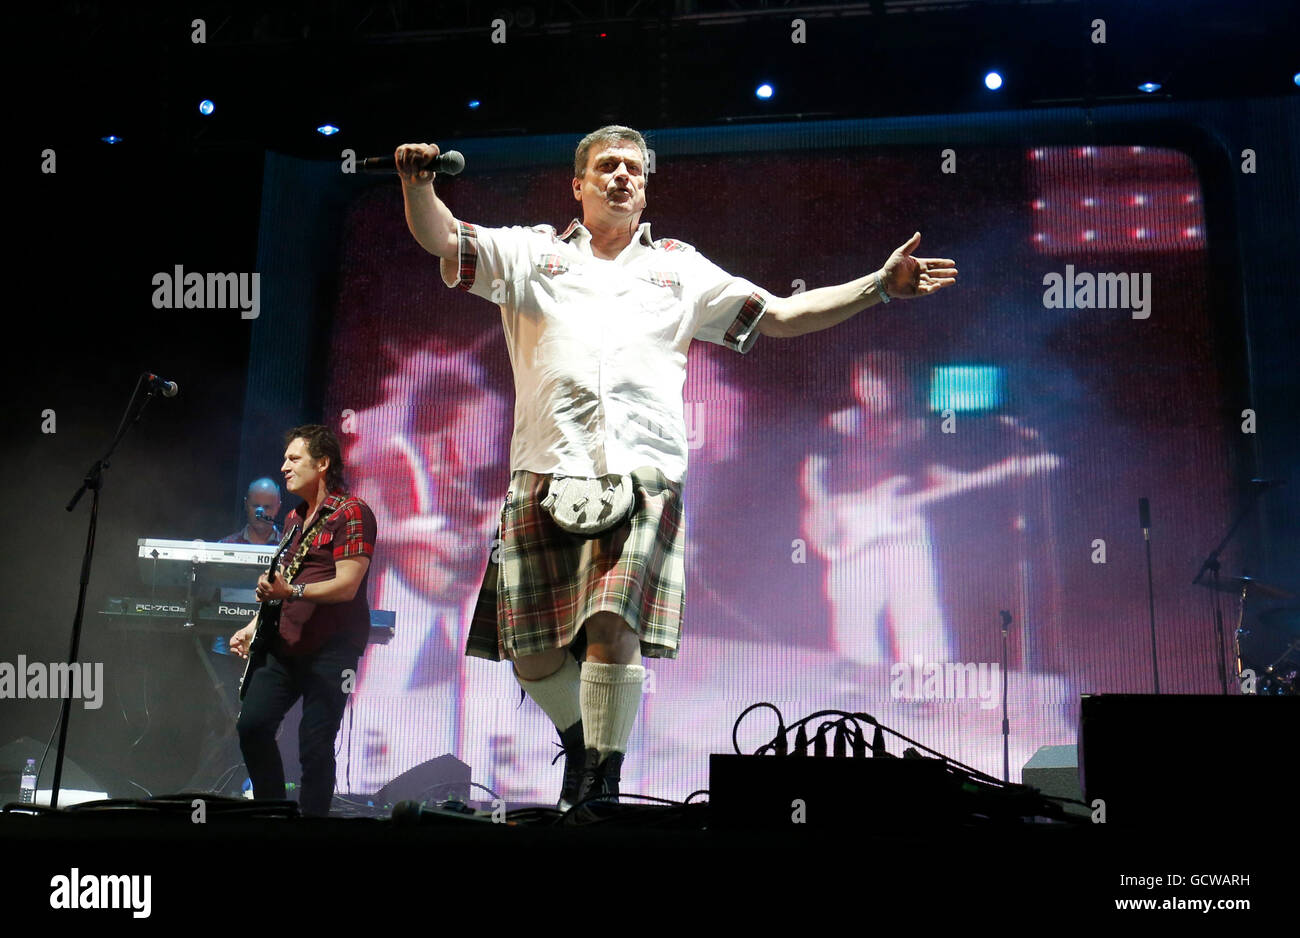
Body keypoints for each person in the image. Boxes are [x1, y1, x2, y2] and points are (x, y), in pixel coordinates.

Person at [395, 125, 957, 810]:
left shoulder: (680, 268)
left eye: (634, 168)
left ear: (646, 184)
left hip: (643, 478)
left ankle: (601, 784)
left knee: (610, 627)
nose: (622, 177)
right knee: (533, 656)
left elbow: (779, 315)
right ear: (578, 184)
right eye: (607, 166)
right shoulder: (531, 252)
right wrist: (418, 184)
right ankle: (581, 741)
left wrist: (879, 287)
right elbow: (445, 240)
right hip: (542, 475)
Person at [230, 425, 377, 817]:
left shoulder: (353, 512)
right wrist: (252, 625)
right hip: (283, 642)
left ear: (323, 463)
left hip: (331, 649)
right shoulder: (295, 518)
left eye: (294, 459)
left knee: (314, 744)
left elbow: (346, 586)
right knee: (253, 726)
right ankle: (274, 814)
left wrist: (289, 592)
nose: (284, 467)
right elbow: (285, 580)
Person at [220, 477, 283, 545]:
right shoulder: (226, 545)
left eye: (267, 507)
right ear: (246, 504)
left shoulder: (290, 548)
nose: (260, 513)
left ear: (278, 508)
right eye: (255, 506)